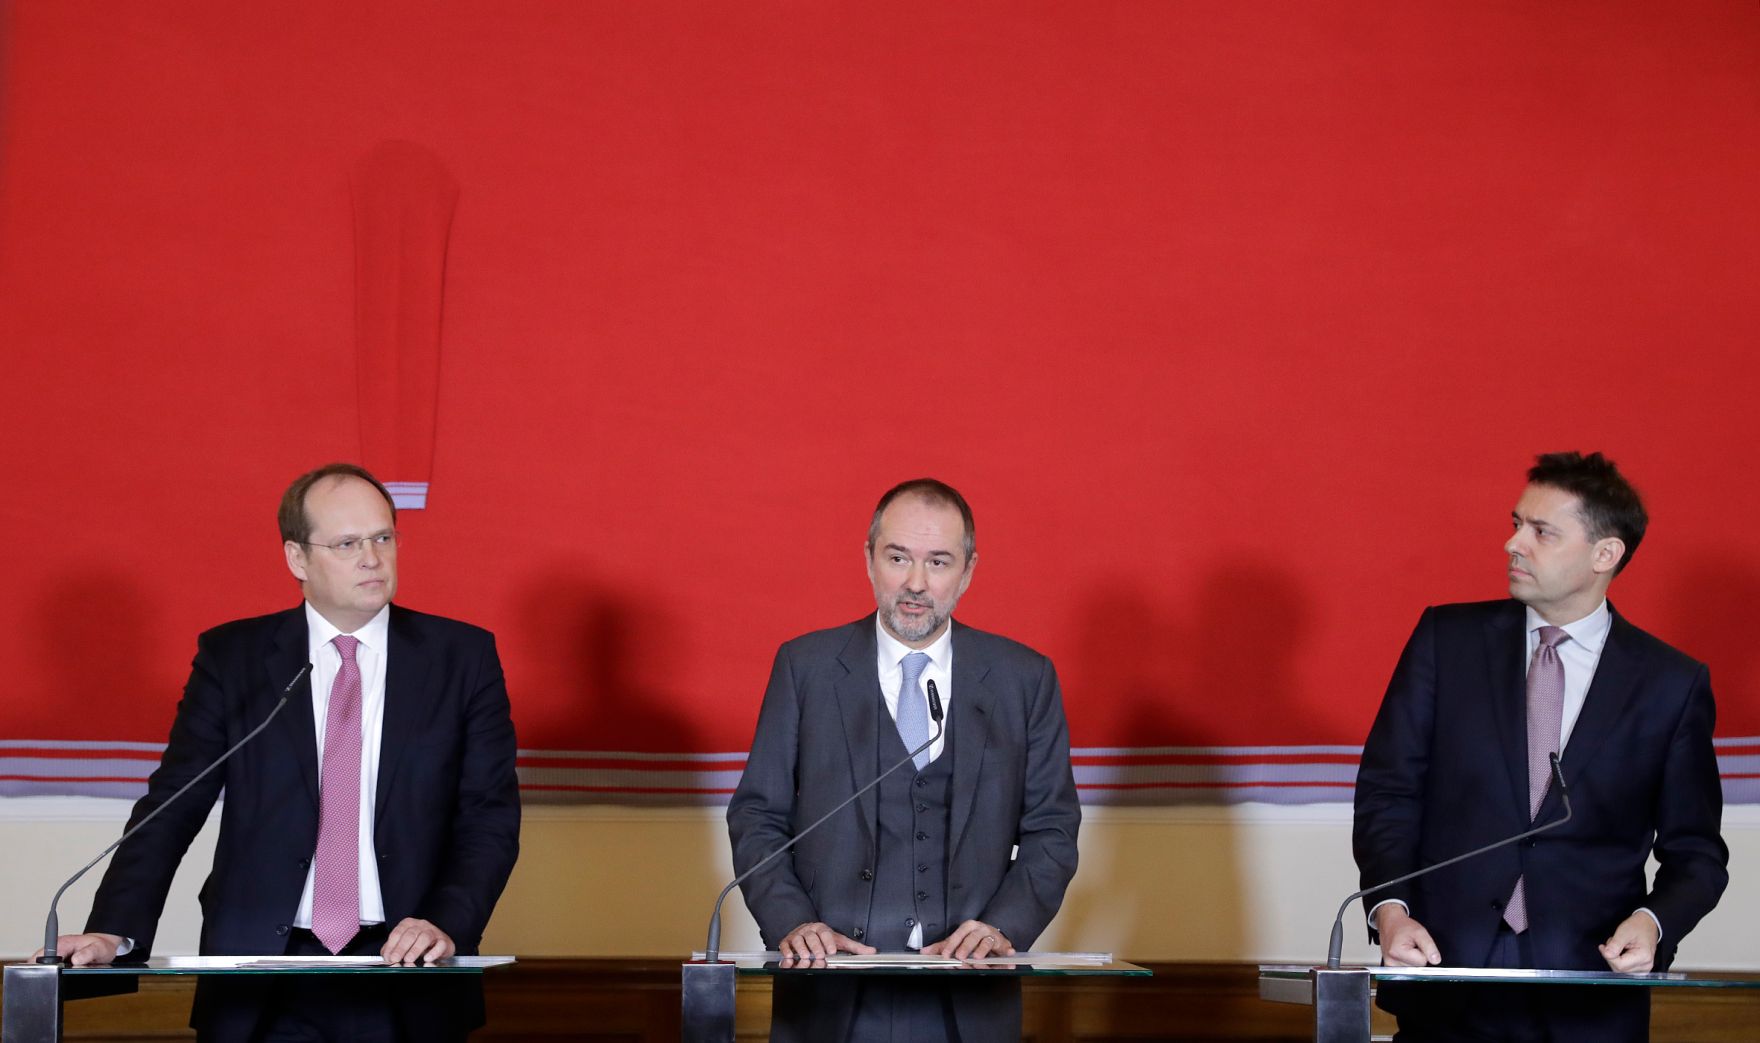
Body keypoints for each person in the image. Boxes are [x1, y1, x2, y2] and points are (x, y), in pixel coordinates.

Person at [37, 463, 521, 1043]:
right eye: (347, 543)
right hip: (258, 971)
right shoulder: (234, 658)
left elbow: (489, 817)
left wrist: (446, 921)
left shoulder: (461, 658)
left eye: (383, 537)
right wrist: (112, 930)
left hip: (407, 964)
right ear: (297, 559)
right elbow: (174, 805)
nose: (372, 558)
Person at [1354, 451, 1728, 1042]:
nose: (1513, 543)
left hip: (1590, 981)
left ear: (1605, 554)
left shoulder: (1670, 684)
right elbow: (1388, 793)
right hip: (1445, 971)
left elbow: (1698, 853)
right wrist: (1392, 911)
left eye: (1541, 532)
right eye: (1516, 523)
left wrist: (1655, 923)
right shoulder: (1446, 641)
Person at [726, 478, 1081, 1043]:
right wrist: (793, 921)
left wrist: (999, 928)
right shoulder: (805, 668)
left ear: (967, 571)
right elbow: (757, 816)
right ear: (869, 560)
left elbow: (1053, 831)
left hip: (970, 998)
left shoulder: (1024, 679)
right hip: (828, 995)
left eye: (938, 562)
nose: (916, 584)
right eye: (898, 558)